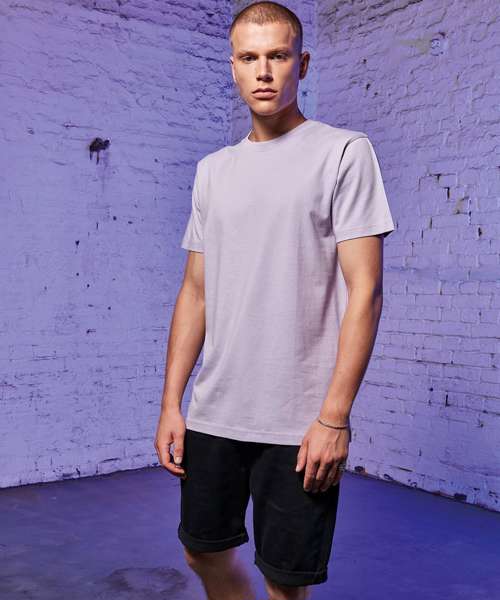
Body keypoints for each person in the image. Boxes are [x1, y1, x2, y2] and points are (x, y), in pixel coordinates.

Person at [154, 2, 396, 599]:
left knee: (285, 584)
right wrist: (171, 403)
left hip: (300, 419)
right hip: (215, 410)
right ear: (233, 67)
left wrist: (334, 417)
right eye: (249, 57)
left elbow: (366, 291)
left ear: (302, 64)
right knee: (201, 550)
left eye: (278, 56)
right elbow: (195, 291)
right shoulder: (213, 171)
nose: (263, 71)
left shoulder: (343, 152)